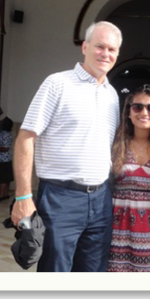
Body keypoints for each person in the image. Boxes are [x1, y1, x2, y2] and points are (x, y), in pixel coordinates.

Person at [11, 21, 122, 272]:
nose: (106, 54)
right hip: (60, 199)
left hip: (101, 200)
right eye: (99, 46)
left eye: (112, 49)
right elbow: (26, 137)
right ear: (85, 47)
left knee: (93, 274)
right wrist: (23, 196)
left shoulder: (112, 95)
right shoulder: (57, 84)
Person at [107, 84, 150, 272]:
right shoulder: (115, 143)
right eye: (138, 107)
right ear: (128, 112)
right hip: (117, 224)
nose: (145, 112)